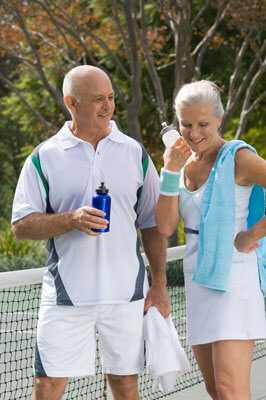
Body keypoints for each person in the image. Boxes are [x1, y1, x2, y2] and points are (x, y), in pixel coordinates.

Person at [11, 65, 170, 400]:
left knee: (126, 386)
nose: (108, 106)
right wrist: (71, 219)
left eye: (111, 97)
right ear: (72, 102)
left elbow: (152, 225)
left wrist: (159, 285)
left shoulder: (135, 153)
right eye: (98, 99)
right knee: (47, 386)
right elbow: (21, 226)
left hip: (127, 295)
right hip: (65, 297)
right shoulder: (43, 157)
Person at [155, 80, 266, 400]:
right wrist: (170, 171)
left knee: (231, 391)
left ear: (219, 119)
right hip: (198, 277)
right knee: (215, 390)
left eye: (203, 124)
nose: (193, 133)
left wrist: (251, 234)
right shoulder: (180, 163)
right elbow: (165, 226)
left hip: (233, 280)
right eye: (186, 124)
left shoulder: (238, 158)